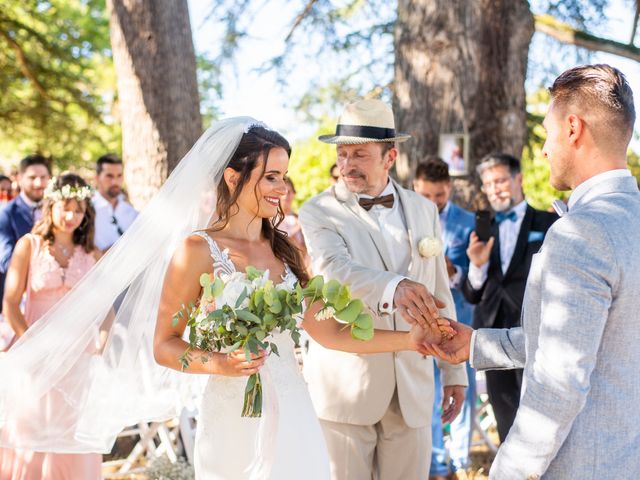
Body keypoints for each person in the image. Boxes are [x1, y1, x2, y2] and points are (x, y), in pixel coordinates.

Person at [0, 118, 451, 480]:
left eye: (284, 177)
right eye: (270, 176)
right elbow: (165, 344)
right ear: (233, 176)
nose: (281, 188)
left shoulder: (286, 249)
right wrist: (218, 363)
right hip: (231, 410)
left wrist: (410, 341)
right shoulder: (196, 251)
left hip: (294, 409)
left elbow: (329, 331)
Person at [423, 64, 640, 479]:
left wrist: (507, 471)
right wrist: (477, 345)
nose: (544, 150)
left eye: (549, 133)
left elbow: (559, 383)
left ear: (573, 128)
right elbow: (592, 338)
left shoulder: (579, 233)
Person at [299, 99, 468, 480]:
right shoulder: (317, 211)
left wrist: (455, 372)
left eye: (359, 154)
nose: (347, 164)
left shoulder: (425, 209)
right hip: (346, 386)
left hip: (415, 385)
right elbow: (332, 271)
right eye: (342, 155)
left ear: (389, 157)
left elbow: (440, 289)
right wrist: (397, 286)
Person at [0, 173, 102, 479]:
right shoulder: (28, 245)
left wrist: (103, 343)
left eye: (80, 209)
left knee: (71, 435)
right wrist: (32, 345)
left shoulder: (92, 254)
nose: (72, 216)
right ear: (51, 205)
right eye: (66, 207)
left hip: (77, 358)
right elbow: (10, 303)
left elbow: (102, 308)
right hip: (35, 355)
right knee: (30, 431)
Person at [460, 153, 557, 442]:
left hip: (534, 333)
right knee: (505, 419)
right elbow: (472, 294)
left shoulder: (549, 223)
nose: (494, 189)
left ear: (519, 179)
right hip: (491, 335)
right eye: (488, 184)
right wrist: (476, 266)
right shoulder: (480, 228)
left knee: (539, 421)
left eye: (500, 180)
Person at [413, 157, 475, 480]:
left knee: (463, 392)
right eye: (426, 196)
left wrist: (456, 270)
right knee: (430, 396)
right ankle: (436, 464)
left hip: (461, 321)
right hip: (421, 326)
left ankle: (462, 463)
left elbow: (479, 277)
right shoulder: (406, 221)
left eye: (439, 195)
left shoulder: (468, 222)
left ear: (448, 188)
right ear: (415, 188)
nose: (433, 203)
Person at [0, 154, 51, 313]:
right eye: (32, 177)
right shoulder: (6, 214)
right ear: (19, 178)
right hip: (19, 302)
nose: (39, 183)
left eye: (43, 177)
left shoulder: (58, 210)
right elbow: (6, 262)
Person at [92, 153, 138, 251]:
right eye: (109, 176)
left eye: (119, 176)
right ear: (97, 178)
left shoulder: (132, 212)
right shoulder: (88, 210)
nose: (115, 182)